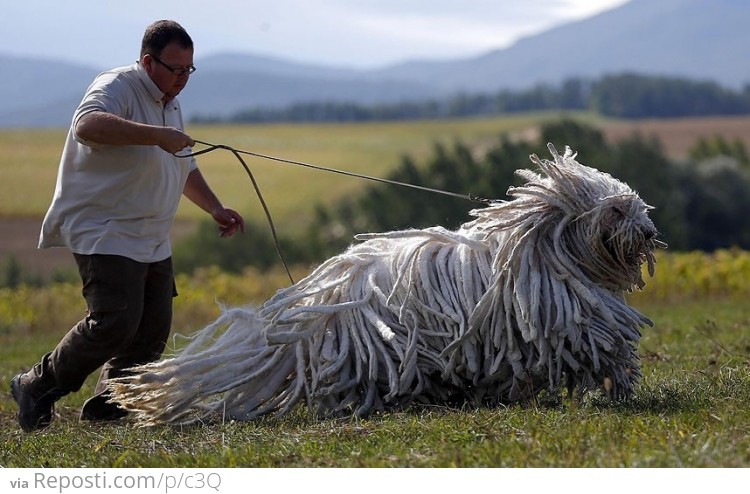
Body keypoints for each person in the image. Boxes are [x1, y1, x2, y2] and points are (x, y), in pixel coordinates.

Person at [9, 20, 246, 432]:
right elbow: (87, 125)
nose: (181, 79)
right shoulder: (116, 86)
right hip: (105, 227)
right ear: (147, 61)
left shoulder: (169, 99)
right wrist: (157, 135)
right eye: (175, 69)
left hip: (152, 234)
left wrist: (215, 207)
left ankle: (110, 405)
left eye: (189, 70)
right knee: (115, 321)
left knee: (152, 328)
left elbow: (182, 166)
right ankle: (36, 385)